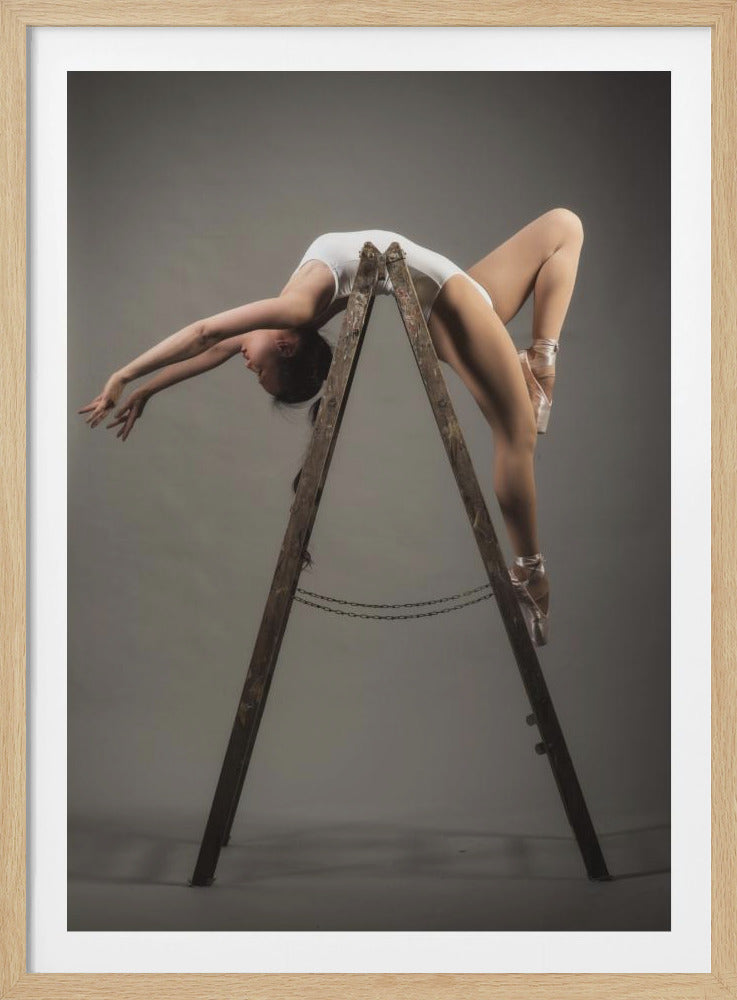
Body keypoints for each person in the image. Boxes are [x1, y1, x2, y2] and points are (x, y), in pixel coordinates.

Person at [79, 211, 584, 646]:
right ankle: (532, 574)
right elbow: (210, 345)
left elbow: (207, 336)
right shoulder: (294, 311)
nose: (244, 362)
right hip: (447, 306)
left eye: (256, 371)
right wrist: (144, 387)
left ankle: (540, 361)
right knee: (516, 436)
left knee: (563, 227)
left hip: (456, 290)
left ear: (285, 346)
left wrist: (130, 379)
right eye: (257, 371)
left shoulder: (294, 307)